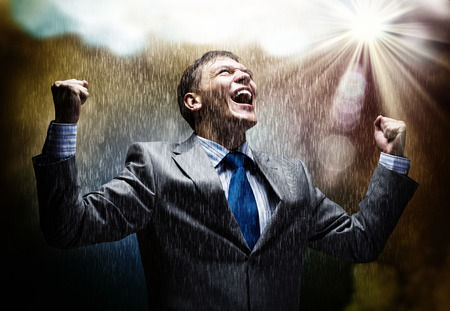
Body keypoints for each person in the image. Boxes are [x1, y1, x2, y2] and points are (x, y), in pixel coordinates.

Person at [33, 51, 418, 310]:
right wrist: (65, 125)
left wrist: (392, 159)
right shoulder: (154, 165)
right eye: (226, 72)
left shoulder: (293, 177)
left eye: (246, 74)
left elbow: (361, 241)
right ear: (193, 101)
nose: (243, 76)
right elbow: (68, 227)